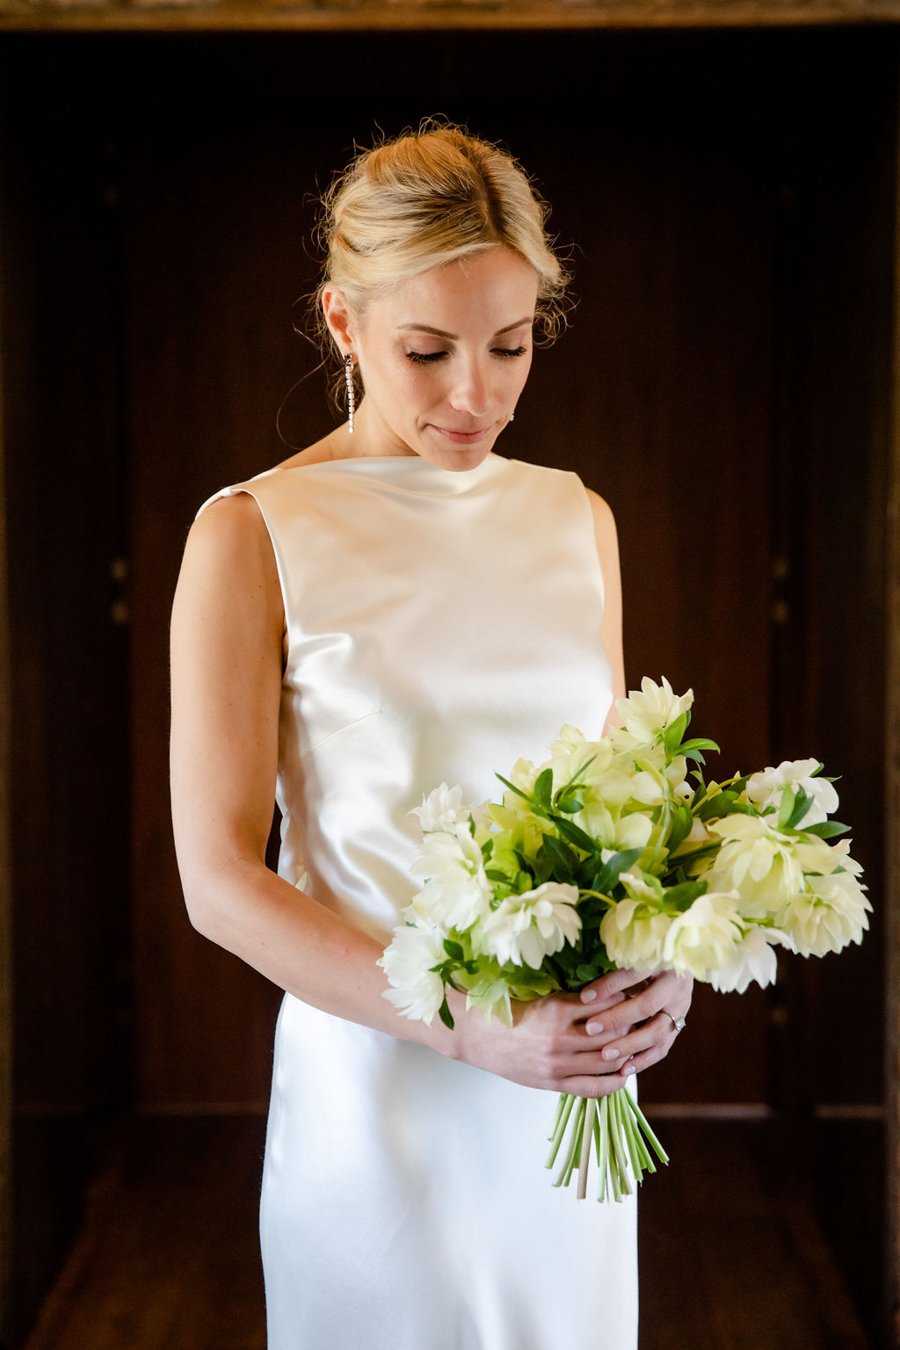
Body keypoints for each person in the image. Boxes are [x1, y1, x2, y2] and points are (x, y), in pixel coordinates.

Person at [170, 122, 692, 1350]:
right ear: (343, 326)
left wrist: (663, 963)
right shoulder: (252, 534)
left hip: (569, 1097)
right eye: (426, 351)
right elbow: (218, 882)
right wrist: (470, 1025)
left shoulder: (575, 519)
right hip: (381, 1094)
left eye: (510, 346)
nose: (477, 395)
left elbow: (627, 806)